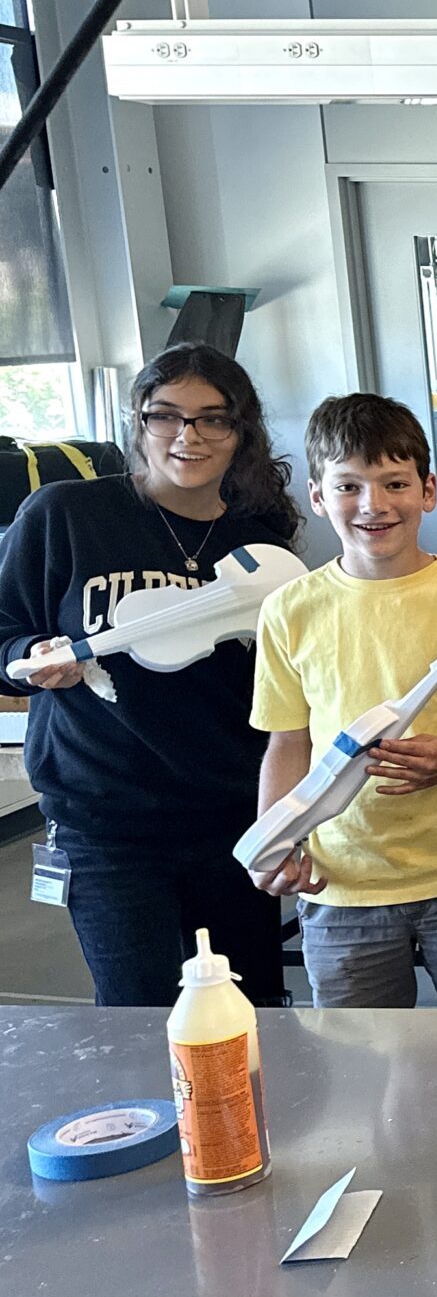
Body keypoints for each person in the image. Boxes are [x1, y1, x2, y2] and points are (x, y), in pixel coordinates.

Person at [0, 345, 299, 1006]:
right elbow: (4, 631)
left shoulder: (262, 542)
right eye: (166, 415)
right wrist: (30, 655)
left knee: (248, 1011)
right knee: (140, 1015)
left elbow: (281, 684)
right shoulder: (65, 515)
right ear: (139, 421)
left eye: (212, 419)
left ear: (241, 431)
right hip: (105, 820)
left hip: (231, 817)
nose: (187, 436)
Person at [248, 395, 437, 1008]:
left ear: (428, 490)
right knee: (364, 1067)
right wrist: (276, 842)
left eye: (394, 483)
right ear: (317, 495)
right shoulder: (288, 610)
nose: (374, 505)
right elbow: (288, 741)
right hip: (342, 883)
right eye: (349, 486)